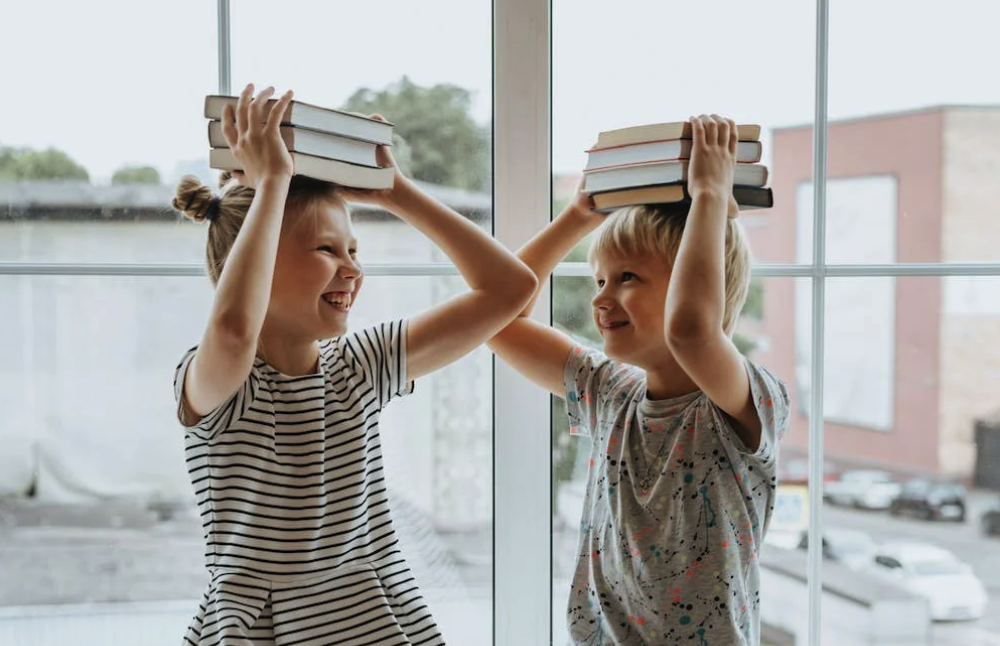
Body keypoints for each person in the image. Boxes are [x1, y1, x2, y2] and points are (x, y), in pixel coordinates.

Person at [170, 84, 537, 645]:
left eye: (354, 251)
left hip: (377, 621)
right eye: (325, 250)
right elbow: (235, 328)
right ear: (254, 263)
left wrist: (397, 194)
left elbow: (510, 288)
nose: (352, 270)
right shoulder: (219, 382)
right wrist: (272, 182)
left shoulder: (361, 365)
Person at [488, 114, 790, 645]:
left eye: (628, 277)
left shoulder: (742, 399)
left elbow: (692, 331)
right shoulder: (609, 391)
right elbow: (495, 318)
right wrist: (575, 219)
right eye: (599, 278)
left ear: (701, 286)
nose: (601, 298)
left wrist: (710, 196)